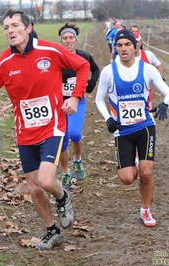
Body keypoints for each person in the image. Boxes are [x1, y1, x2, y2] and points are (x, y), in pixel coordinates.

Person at [0, 9, 90, 250]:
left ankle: (63, 196)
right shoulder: (4, 62)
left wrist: (76, 97)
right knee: (34, 187)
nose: (10, 31)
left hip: (53, 127)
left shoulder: (50, 50)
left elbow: (83, 67)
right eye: (6, 27)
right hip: (25, 132)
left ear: (28, 28)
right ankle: (52, 231)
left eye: (15, 25)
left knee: (47, 180)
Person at [95, 29, 169, 227]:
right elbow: (98, 99)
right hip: (121, 130)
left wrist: (165, 105)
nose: (123, 49)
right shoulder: (108, 71)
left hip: (145, 126)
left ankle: (146, 210)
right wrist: (108, 119)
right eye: (119, 45)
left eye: (127, 44)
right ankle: (136, 160)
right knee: (127, 178)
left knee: (146, 173)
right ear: (115, 48)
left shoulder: (147, 69)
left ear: (136, 46)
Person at [57, 21, 100, 187]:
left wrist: (92, 83)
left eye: (71, 38)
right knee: (63, 138)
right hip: (59, 104)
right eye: (65, 38)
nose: (68, 41)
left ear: (76, 40)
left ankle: (78, 160)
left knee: (74, 134)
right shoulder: (56, 59)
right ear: (61, 41)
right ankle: (66, 172)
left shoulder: (84, 56)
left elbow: (95, 69)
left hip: (78, 102)